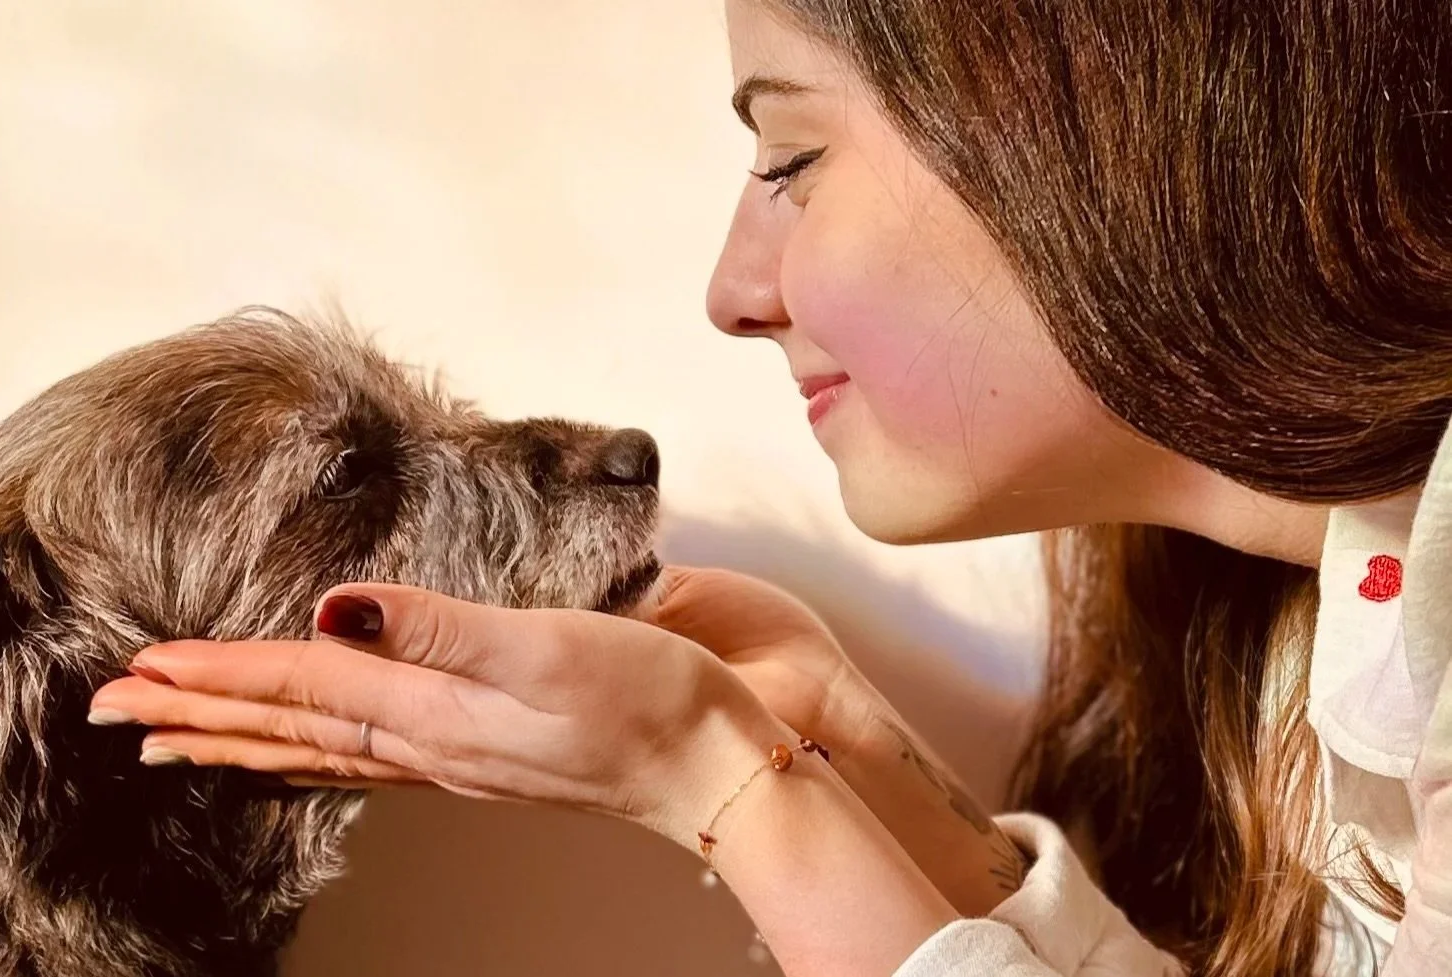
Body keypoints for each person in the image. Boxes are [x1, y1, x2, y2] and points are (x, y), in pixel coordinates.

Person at [85, 1, 1452, 973]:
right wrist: (833, 738)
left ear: (1102, 126)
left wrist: (714, 773)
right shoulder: (1354, 640)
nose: (731, 292)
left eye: (791, 161)